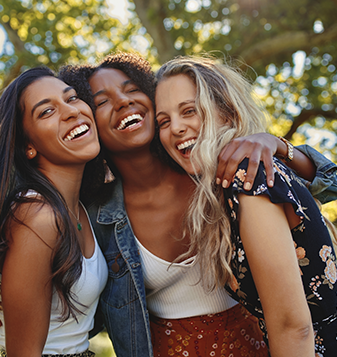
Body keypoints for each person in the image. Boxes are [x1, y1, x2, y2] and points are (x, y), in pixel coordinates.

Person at [59, 52, 337, 357]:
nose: (123, 102)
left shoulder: (219, 169)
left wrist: (276, 144)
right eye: (101, 101)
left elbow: (321, 187)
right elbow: (78, 306)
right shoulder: (96, 218)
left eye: (131, 89)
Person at [154, 55, 337, 356]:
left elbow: (294, 327)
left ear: (226, 111)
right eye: (164, 121)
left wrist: (277, 143)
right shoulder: (231, 183)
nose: (176, 128)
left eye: (190, 111)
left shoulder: (249, 176)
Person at [0, 67, 108, 357]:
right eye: (46, 112)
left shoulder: (79, 206)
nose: (71, 112)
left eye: (73, 98)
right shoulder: (37, 216)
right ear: (28, 146)